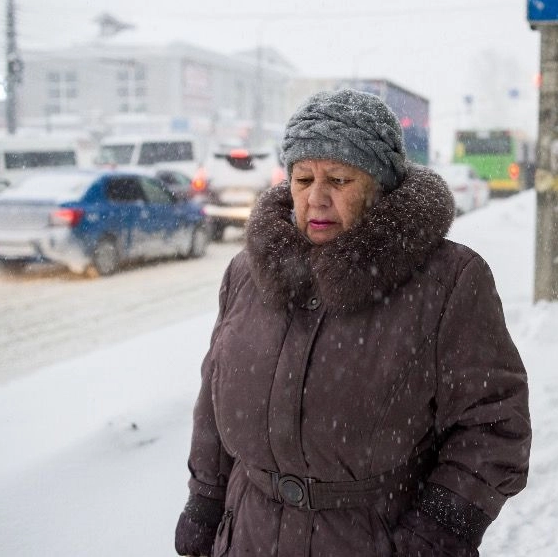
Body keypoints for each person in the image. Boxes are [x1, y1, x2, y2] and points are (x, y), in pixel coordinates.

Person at [174, 89, 531, 557]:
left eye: (338, 179)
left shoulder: (447, 281)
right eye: (303, 180)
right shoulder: (248, 273)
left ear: (379, 187)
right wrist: (204, 501)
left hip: (373, 538)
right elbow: (213, 403)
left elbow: (495, 423)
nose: (316, 199)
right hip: (248, 537)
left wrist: (437, 532)